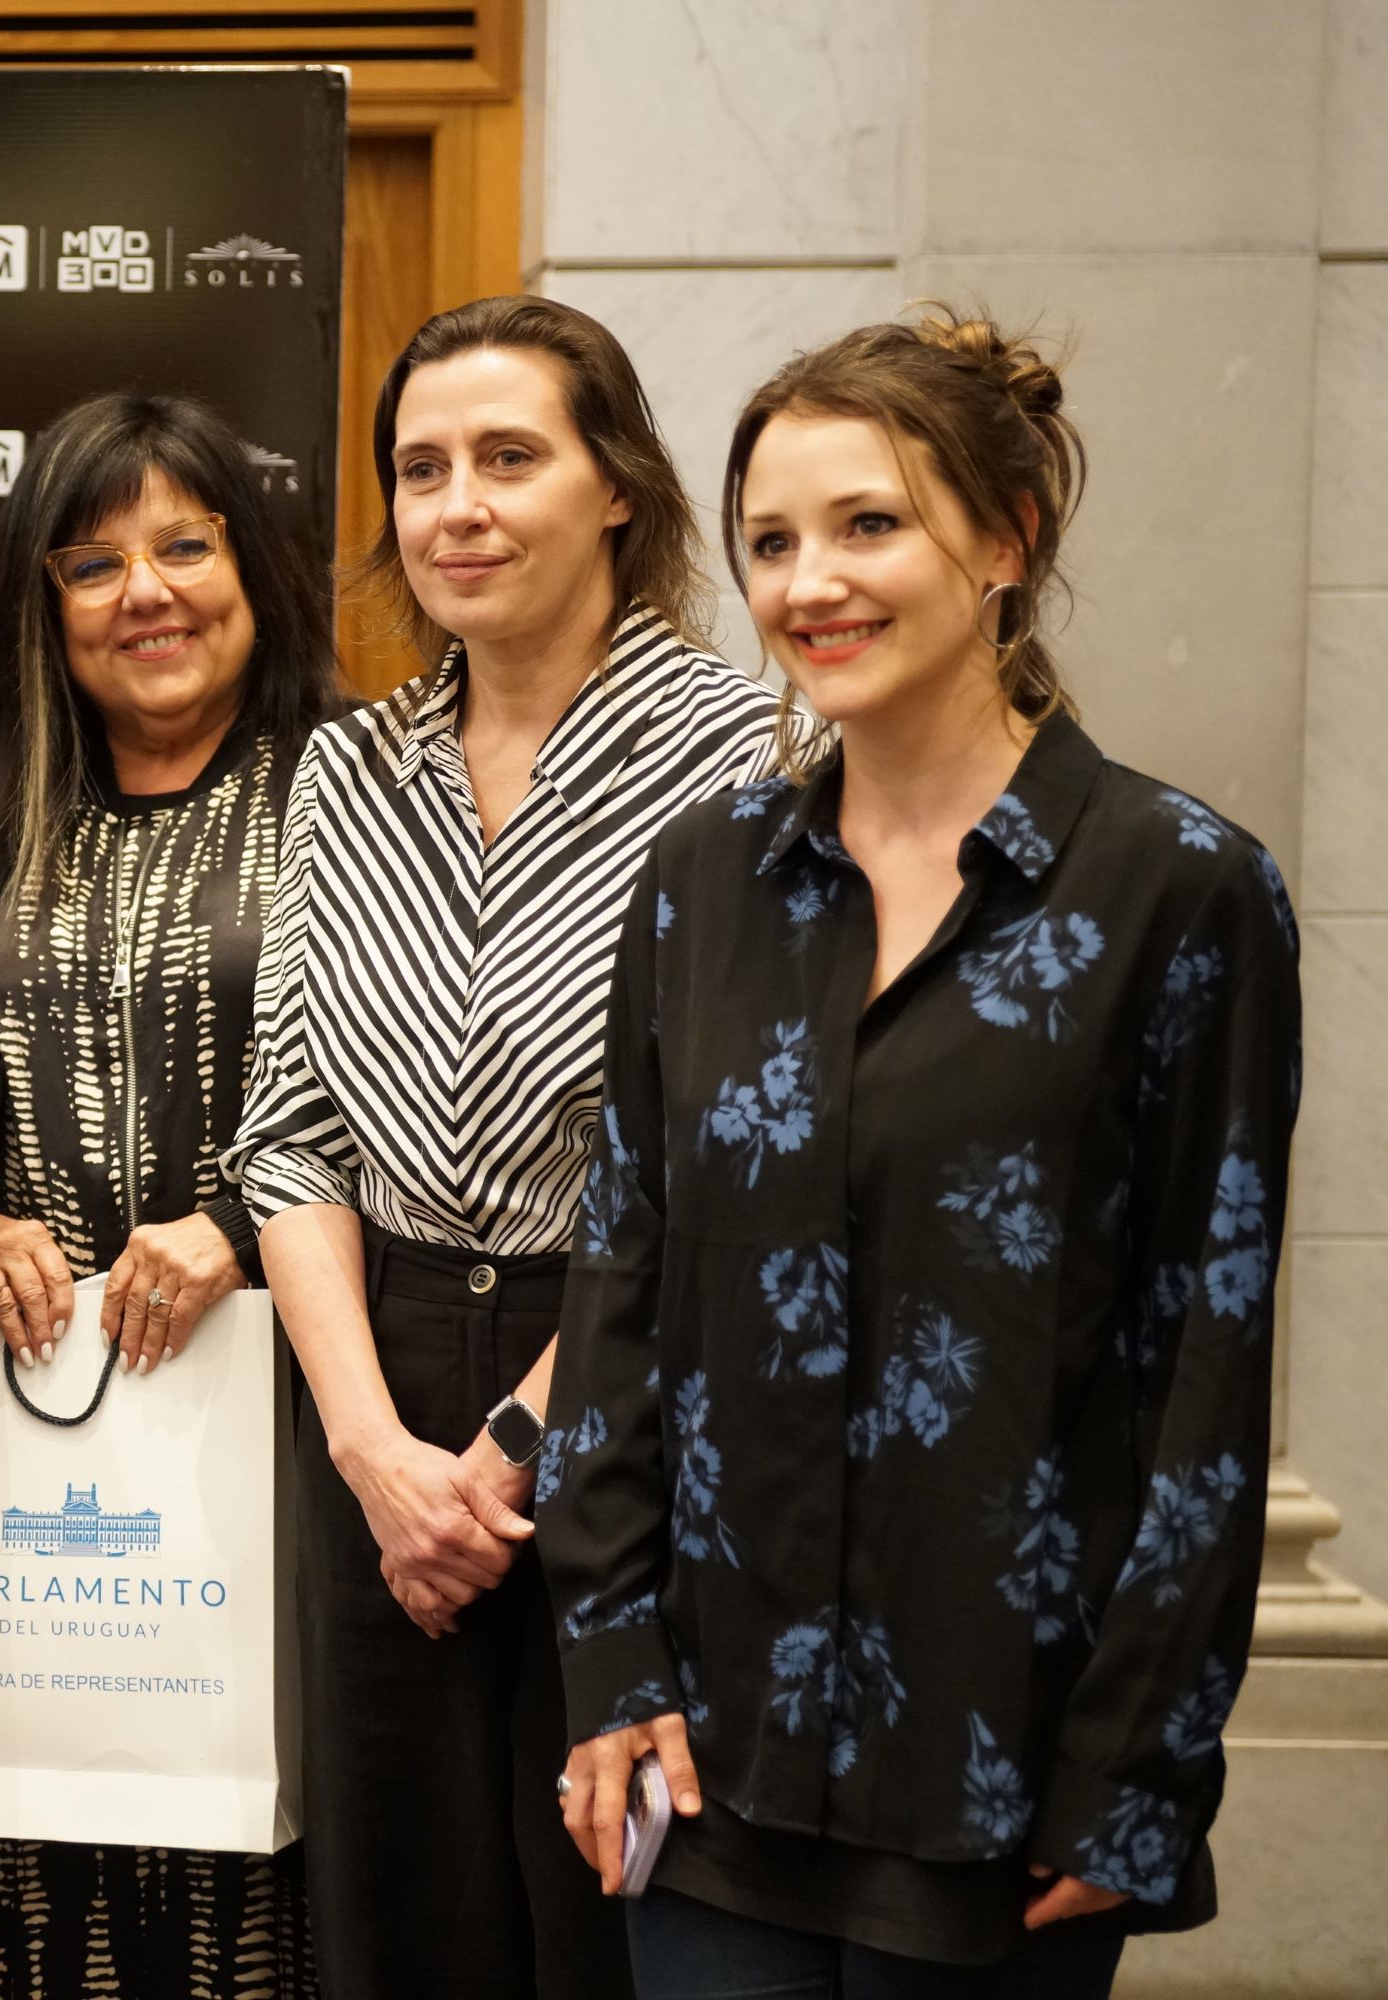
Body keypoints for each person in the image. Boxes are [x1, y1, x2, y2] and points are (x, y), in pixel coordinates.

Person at [538, 309, 1303, 1997]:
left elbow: (1206, 1364)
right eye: (770, 542)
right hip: (708, 1749)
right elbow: (624, 1284)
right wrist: (610, 1659)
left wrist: (1135, 1772)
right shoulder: (702, 882)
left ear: (1007, 540)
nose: (810, 582)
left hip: (999, 1770)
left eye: (867, 524)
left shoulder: (1179, 890)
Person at [225, 295, 780, 1999]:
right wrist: (379, 1454)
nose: (456, 505)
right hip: (373, 1376)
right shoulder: (347, 766)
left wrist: (526, 1436)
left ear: (616, 484)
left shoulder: (751, 757)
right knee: (395, 1909)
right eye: (419, 469)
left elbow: (725, 1156)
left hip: (630, 1374)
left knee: (601, 1905)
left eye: (508, 458)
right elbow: (288, 1136)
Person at [0, 391, 347, 1997]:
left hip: (299, 1456)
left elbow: (441, 1096)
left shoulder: (361, 804)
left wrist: (244, 1227)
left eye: (185, 546)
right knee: (32, 1872)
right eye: (93, 565)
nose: (145, 591)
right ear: (44, 612)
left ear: (258, 568)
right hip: (31, 1495)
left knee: (275, 1874)